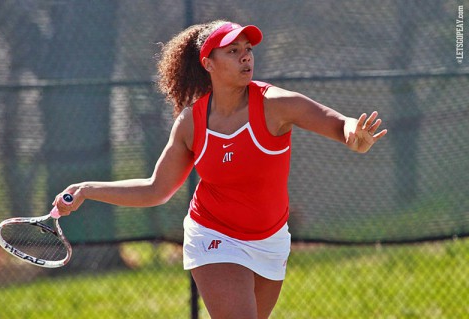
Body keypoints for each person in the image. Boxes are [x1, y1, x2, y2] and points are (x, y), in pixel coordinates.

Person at [53, 20, 387, 319]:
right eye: (233, 50)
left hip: (270, 238)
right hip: (213, 234)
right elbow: (156, 189)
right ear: (208, 63)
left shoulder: (277, 104)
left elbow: (338, 123)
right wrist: (87, 188)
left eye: (248, 49)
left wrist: (354, 136)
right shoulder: (191, 123)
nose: (246, 57)